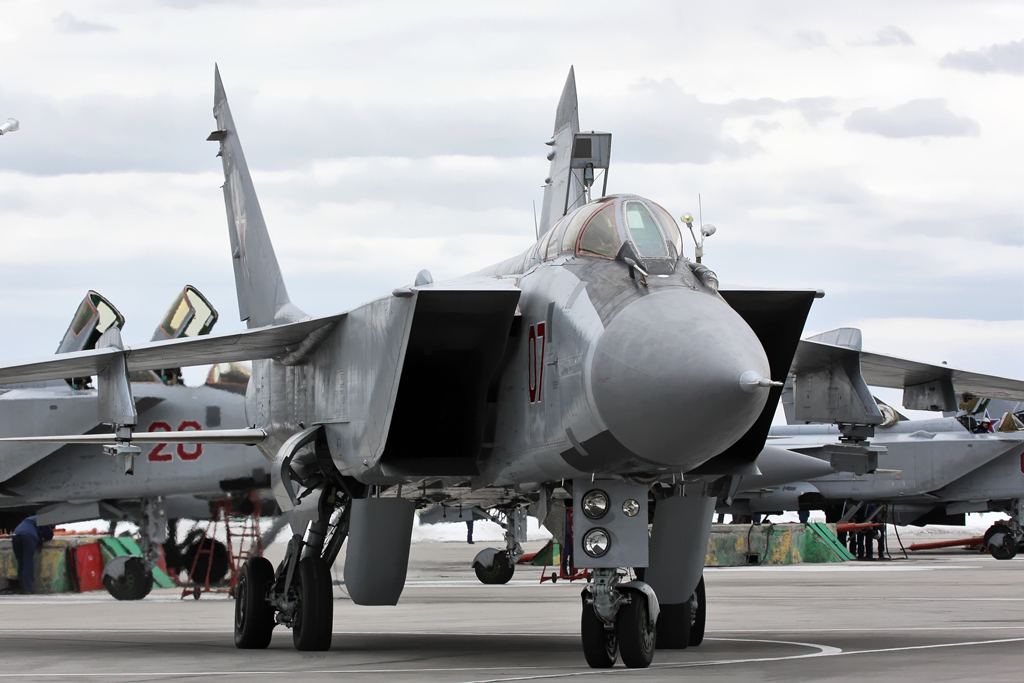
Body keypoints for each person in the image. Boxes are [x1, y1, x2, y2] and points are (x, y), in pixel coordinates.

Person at [12, 516, 54, 593]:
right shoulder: (45, 518)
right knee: (27, 561)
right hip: (28, 537)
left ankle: (22, 587)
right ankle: (27, 589)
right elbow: (48, 535)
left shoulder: (30, 519)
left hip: (16, 535)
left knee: (20, 562)